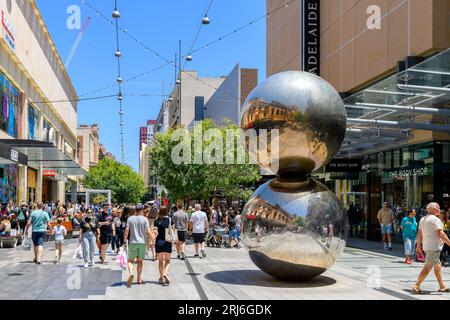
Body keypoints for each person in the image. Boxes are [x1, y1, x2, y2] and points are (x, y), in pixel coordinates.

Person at [412, 202, 450, 293]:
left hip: (427, 246)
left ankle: (442, 286)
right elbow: (441, 234)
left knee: (437, 266)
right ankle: (416, 285)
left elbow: (419, 234)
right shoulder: (436, 220)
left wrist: (418, 246)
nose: (439, 210)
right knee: (428, 266)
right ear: (433, 209)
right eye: (438, 208)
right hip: (434, 247)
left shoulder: (422, 219)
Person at [124, 204, 154, 287]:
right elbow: (148, 232)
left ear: (135, 210)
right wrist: (153, 240)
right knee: (140, 261)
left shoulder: (130, 219)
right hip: (142, 243)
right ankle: (139, 279)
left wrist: (124, 242)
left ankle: (131, 273)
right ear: (142, 210)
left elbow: (126, 231)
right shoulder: (145, 219)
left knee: (130, 260)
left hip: (132, 242)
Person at [154, 206, 173, 285]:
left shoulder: (156, 221)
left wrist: (152, 241)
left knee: (160, 261)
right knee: (168, 260)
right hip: (168, 241)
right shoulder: (169, 220)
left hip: (159, 242)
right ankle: (166, 273)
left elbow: (155, 232)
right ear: (166, 211)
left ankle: (161, 277)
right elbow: (172, 230)